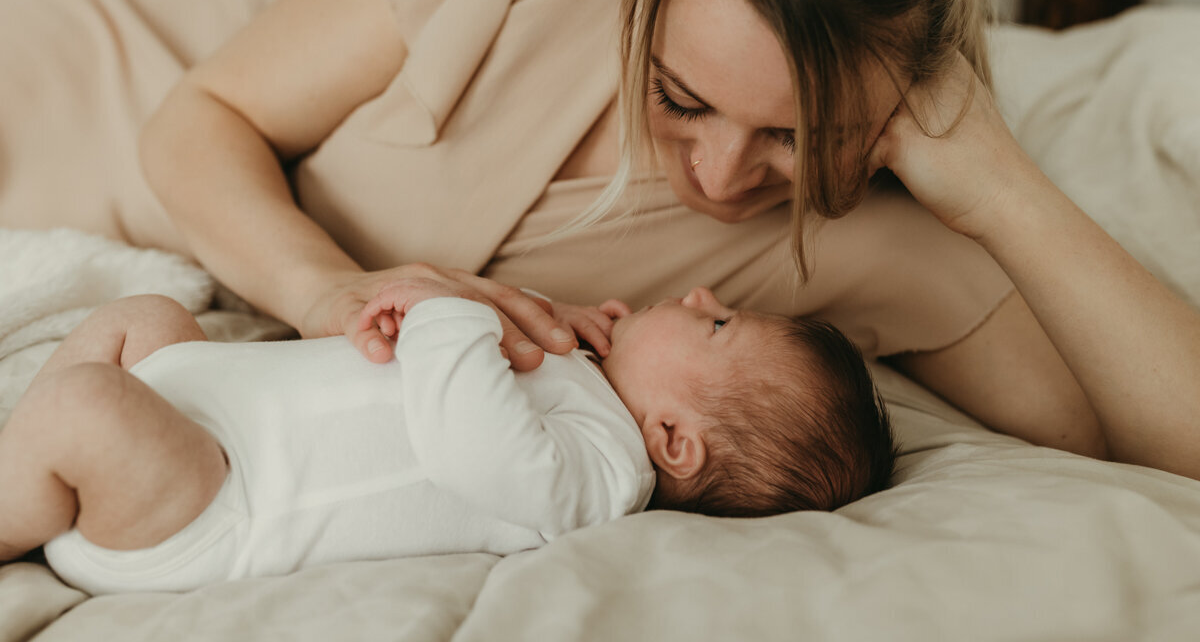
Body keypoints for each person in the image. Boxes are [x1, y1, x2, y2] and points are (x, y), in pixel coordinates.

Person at [1, 0, 1197, 479]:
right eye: (680, 97)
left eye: (799, 133)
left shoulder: (908, 234)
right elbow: (193, 116)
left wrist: (999, 180)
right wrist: (326, 293)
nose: (724, 177)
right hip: (87, 71)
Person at [0, 282, 895, 594]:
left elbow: (477, 443)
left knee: (87, 405)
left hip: (211, 501)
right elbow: (505, 361)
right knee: (145, 319)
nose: (699, 296)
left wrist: (449, 314)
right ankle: (19, 461)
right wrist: (554, 325)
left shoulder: (604, 475)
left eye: (719, 326)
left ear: (674, 441)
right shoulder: (591, 387)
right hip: (211, 410)